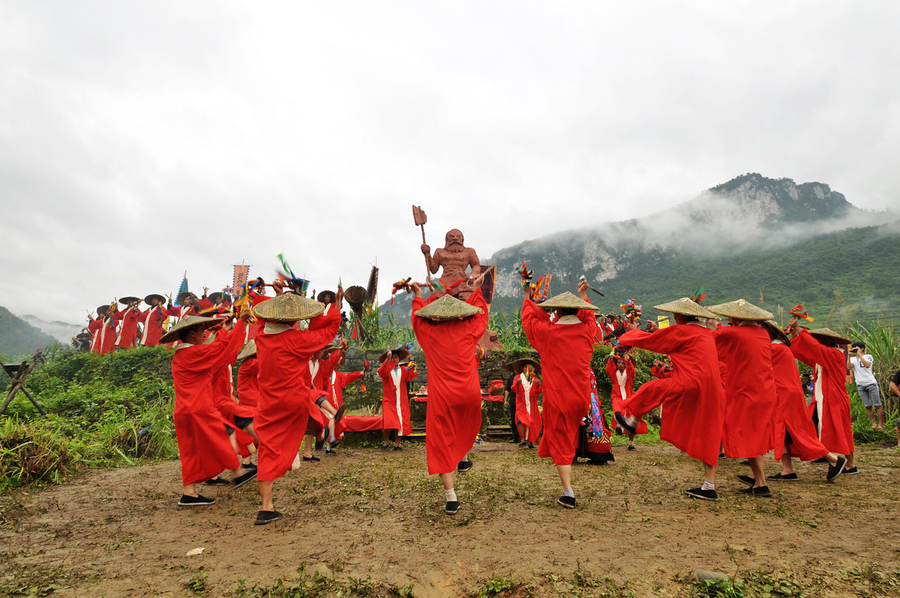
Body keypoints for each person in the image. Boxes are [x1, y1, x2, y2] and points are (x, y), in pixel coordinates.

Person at [615, 298, 725, 500]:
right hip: (713, 388)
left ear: (682, 316)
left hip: (691, 382)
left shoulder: (683, 331)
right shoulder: (706, 333)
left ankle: (632, 420)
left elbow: (653, 341)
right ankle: (709, 486)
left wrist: (629, 334)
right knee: (708, 432)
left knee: (652, 387)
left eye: (675, 314)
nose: (674, 317)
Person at [252, 285, 342, 525]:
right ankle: (325, 431)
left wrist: (278, 295)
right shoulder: (294, 339)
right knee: (314, 408)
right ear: (291, 320)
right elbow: (325, 336)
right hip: (292, 398)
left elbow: (260, 319)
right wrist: (335, 311)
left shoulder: (260, 336)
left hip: (267, 402)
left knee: (268, 449)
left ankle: (266, 507)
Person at [410, 278, 488, 516]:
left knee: (442, 439)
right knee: (464, 421)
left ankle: (451, 498)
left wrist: (418, 295)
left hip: (443, 395)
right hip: (469, 392)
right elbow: (482, 314)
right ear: (460, 314)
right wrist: (476, 289)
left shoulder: (429, 334)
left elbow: (417, 318)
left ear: (436, 316)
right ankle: (463, 457)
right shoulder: (468, 330)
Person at [163, 313, 256, 507]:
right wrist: (229, 328)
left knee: (191, 451)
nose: (204, 334)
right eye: (201, 331)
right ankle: (237, 472)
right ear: (191, 334)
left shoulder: (182, 354)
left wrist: (230, 328)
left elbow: (220, 350)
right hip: (199, 407)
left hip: (184, 409)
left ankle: (189, 492)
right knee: (220, 437)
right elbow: (219, 349)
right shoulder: (192, 353)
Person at [521, 280, 599, 509]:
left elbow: (529, 320)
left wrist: (528, 298)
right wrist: (583, 294)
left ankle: (568, 492)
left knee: (561, 440)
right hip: (581, 398)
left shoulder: (547, 332)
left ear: (557, 311)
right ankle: (563, 470)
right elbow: (589, 316)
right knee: (564, 435)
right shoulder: (587, 330)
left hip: (558, 398)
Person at [749, 320, 846, 483]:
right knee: (784, 433)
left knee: (798, 432)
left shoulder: (775, 349)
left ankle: (834, 459)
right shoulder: (781, 347)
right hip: (787, 394)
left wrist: (800, 331)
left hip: (785, 395)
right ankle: (788, 470)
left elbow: (756, 360)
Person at [706, 299, 779, 498]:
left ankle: (761, 482)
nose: (729, 320)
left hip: (746, 393)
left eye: (731, 317)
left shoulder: (734, 332)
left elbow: (708, 339)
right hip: (765, 391)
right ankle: (760, 482)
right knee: (756, 436)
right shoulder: (763, 333)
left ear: (737, 318)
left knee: (748, 434)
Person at [785, 322, 857, 474]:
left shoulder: (835, 354)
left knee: (841, 429)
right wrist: (794, 334)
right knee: (818, 426)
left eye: (818, 338)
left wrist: (801, 331)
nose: (816, 340)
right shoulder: (824, 356)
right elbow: (801, 353)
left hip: (834, 398)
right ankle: (828, 456)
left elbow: (815, 348)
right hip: (824, 398)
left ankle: (850, 464)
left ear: (826, 340)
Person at [606, 346, 646, 451]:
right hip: (617, 396)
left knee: (630, 418)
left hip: (628, 397)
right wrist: (611, 355)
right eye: (618, 363)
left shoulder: (629, 374)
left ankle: (631, 443)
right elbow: (609, 368)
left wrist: (628, 361)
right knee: (617, 410)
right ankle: (619, 424)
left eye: (622, 363)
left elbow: (632, 370)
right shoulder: (614, 374)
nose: (620, 365)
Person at [378, 347, 418, 450]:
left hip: (401, 400)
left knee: (400, 421)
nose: (394, 359)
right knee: (388, 421)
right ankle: (386, 442)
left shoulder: (403, 370)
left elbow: (411, 373)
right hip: (389, 399)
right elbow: (381, 372)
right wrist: (387, 359)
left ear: (399, 359)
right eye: (392, 358)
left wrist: (411, 360)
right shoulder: (387, 370)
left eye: (396, 357)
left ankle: (397, 444)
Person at [849, 341, 885, 430]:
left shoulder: (868, 356)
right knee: (867, 405)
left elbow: (867, 365)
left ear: (862, 348)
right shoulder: (852, 359)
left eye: (857, 348)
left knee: (877, 404)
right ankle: (873, 424)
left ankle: (881, 424)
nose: (856, 350)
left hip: (871, 383)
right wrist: (849, 356)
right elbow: (849, 367)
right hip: (860, 384)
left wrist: (860, 355)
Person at [508, 359, 542, 448]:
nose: (527, 369)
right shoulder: (518, 377)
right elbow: (514, 389)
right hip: (521, 403)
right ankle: (523, 439)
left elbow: (537, 393)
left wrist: (539, 385)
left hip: (531, 404)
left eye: (529, 367)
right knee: (520, 420)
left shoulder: (535, 379)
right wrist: (517, 384)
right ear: (522, 368)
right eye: (526, 367)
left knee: (531, 422)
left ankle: (530, 441)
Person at [502, 372, 521, 444]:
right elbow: (507, 389)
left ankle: (524, 437)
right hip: (513, 399)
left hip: (521, 399)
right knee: (513, 419)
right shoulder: (511, 378)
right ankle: (515, 437)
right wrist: (506, 400)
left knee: (522, 419)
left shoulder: (524, 377)